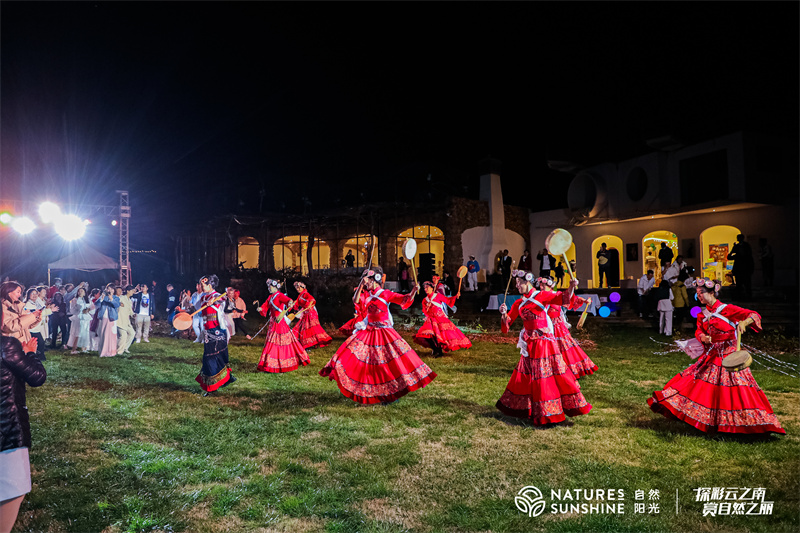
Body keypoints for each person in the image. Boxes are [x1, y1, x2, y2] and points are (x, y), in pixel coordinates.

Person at [647, 278, 784, 435]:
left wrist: (744, 323)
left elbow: (754, 315)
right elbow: (698, 331)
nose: (699, 296)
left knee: (735, 390)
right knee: (698, 386)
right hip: (711, 355)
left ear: (712, 292)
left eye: (701, 293)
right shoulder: (702, 314)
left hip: (730, 355)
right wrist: (702, 338)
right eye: (697, 294)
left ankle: (747, 422)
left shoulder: (728, 309)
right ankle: (707, 420)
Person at [320, 267, 436, 404]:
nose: (366, 283)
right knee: (356, 356)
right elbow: (355, 300)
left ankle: (392, 393)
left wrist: (412, 291)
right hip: (369, 332)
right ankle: (373, 389)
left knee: (387, 363)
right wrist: (361, 286)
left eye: (368, 280)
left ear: (375, 280)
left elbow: (403, 299)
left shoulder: (385, 294)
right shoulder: (367, 296)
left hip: (384, 333)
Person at [497, 270, 590, 425]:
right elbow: (506, 327)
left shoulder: (541, 296)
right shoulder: (518, 303)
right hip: (528, 345)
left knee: (543, 378)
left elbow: (563, 298)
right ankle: (527, 409)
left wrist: (572, 287)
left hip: (543, 344)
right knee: (526, 378)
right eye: (516, 283)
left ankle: (547, 413)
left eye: (519, 283)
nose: (517, 286)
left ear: (528, 281)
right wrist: (503, 314)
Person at [0, 312, 47, 533]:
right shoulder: (7, 345)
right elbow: (36, 376)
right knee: (13, 489)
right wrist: (30, 354)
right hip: (6, 428)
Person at [541, 277, 598, 378]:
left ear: (551, 285)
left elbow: (570, 297)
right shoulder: (540, 296)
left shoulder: (555, 295)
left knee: (564, 346)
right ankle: (552, 368)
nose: (541, 286)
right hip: (547, 324)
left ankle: (569, 367)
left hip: (557, 325)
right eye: (540, 284)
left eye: (544, 285)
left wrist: (580, 298)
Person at [195, 275, 236, 396]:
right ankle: (226, 379)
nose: (202, 287)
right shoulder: (203, 297)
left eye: (203, 285)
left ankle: (212, 387)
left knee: (211, 358)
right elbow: (197, 308)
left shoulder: (217, 296)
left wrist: (213, 301)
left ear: (210, 285)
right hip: (208, 331)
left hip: (217, 331)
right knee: (212, 358)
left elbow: (223, 300)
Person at [257, 279, 309, 373]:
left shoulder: (280, 295)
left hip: (280, 322)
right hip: (273, 322)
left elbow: (288, 300)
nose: (269, 288)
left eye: (271, 287)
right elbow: (266, 305)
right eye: (268, 287)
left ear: (276, 287)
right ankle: (270, 362)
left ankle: (276, 362)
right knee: (272, 342)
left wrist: (289, 303)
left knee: (279, 342)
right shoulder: (270, 297)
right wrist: (261, 308)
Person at [413, 281, 471, 357]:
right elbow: (425, 311)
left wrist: (456, 296)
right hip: (431, 319)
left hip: (440, 318)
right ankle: (435, 349)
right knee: (425, 334)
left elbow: (448, 300)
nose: (425, 289)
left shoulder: (438, 296)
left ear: (432, 288)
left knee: (440, 336)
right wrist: (427, 307)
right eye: (424, 288)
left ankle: (438, 351)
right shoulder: (425, 300)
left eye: (427, 287)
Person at [290, 281, 332, 349]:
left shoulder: (306, 294)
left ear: (302, 288)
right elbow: (296, 304)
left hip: (311, 313)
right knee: (303, 328)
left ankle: (312, 343)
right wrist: (293, 305)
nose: (297, 289)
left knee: (311, 328)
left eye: (298, 288)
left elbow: (312, 299)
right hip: (305, 313)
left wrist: (309, 305)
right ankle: (307, 343)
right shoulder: (300, 296)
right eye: (296, 288)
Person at [1, 282, 40, 347]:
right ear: (9, 292)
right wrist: (32, 316)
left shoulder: (18, 306)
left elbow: (26, 326)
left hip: (23, 342)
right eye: (18, 292)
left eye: (20, 292)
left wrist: (36, 319)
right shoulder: (3, 308)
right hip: (12, 344)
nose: (20, 295)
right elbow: (10, 327)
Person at [22, 289, 52, 361]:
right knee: (39, 342)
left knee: (39, 343)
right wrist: (51, 310)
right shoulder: (28, 304)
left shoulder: (34, 303)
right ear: (28, 295)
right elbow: (37, 314)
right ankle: (38, 358)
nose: (35, 295)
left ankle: (37, 357)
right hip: (31, 328)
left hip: (36, 327)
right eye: (32, 294)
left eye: (36, 294)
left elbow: (41, 309)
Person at [95, 284, 120, 357]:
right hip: (104, 318)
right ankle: (103, 351)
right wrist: (102, 298)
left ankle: (111, 352)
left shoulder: (116, 298)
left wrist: (111, 299)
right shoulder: (103, 297)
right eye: (108, 289)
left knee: (111, 335)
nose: (110, 290)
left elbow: (116, 305)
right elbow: (96, 304)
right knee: (103, 334)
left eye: (112, 289)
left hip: (111, 318)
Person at [67, 287, 93, 354]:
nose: (81, 292)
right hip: (78, 317)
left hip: (85, 317)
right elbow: (72, 309)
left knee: (85, 332)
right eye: (79, 291)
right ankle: (74, 348)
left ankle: (83, 347)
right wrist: (79, 309)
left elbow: (91, 308)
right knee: (77, 332)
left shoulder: (87, 300)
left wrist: (87, 310)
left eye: (82, 291)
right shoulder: (75, 300)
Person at [727, 234, 754, 300]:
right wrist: (733, 250)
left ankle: (748, 297)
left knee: (747, 284)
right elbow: (729, 257)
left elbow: (750, 258)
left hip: (745, 270)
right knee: (739, 284)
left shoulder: (746, 249)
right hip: (739, 270)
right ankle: (741, 297)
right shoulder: (737, 251)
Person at [116, 286, 136, 354]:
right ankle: (119, 351)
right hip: (120, 320)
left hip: (127, 321)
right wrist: (119, 304)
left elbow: (130, 311)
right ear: (128, 291)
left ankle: (125, 348)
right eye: (132, 290)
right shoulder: (121, 298)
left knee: (132, 333)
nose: (133, 292)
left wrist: (133, 314)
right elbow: (115, 303)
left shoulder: (130, 301)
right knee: (123, 336)